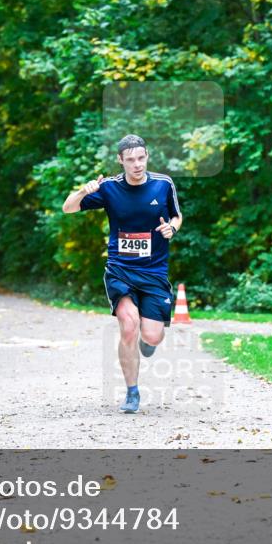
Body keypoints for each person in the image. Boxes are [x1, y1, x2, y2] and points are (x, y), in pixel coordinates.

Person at [61, 134, 183, 413]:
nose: (137, 165)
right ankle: (132, 393)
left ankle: (147, 339)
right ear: (120, 160)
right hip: (120, 269)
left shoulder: (163, 184)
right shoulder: (109, 188)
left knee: (152, 336)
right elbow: (67, 208)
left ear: (147, 156)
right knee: (128, 325)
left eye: (141, 158)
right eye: (130, 160)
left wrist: (172, 229)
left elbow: (177, 215)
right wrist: (84, 191)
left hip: (154, 271)